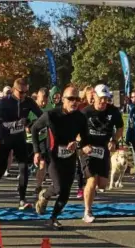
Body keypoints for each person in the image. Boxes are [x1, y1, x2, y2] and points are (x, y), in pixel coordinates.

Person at [33, 86, 89, 230]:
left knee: (66, 191)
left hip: (69, 156)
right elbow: (34, 128)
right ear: (63, 100)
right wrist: (37, 151)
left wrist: (77, 143)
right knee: (58, 188)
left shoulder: (80, 117)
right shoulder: (51, 115)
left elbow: (85, 138)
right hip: (53, 156)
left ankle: (53, 218)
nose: (75, 102)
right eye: (71, 99)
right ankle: (45, 194)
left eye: (77, 99)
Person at [0, 78, 43, 209]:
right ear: (14, 90)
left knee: (24, 167)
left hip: (19, 139)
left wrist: (32, 124)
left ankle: (22, 200)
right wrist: (17, 124)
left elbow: (41, 116)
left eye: (26, 92)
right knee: (1, 169)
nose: (24, 95)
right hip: (5, 139)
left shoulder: (28, 101)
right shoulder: (4, 102)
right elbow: (0, 123)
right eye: (21, 92)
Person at [80, 84, 124, 223]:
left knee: (102, 184)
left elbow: (121, 127)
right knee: (92, 180)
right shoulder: (86, 112)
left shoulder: (113, 111)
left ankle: (90, 189)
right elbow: (75, 131)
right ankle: (87, 211)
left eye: (106, 98)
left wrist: (115, 141)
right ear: (94, 96)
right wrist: (83, 145)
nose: (104, 101)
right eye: (101, 98)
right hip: (88, 149)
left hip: (103, 149)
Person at [27, 88, 53, 194]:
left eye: (45, 101)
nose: (43, 103)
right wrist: (31, 125)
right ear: (37, 97)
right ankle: (24, 184)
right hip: (29, 139)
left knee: (43, 163)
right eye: (42, 100)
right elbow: (27, 126)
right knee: (26, 165)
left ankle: (39, 185)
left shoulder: (49, 107)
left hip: (43, 139)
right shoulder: (31, 107)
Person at [76, 86, 96, 198]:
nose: (93, 99)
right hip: (80, 138)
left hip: (92, 139)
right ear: (86, 95)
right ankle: (80, 188)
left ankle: (90, 186)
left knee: (92, 164)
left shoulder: (96, 108)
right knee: (80, 165)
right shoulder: (81, 107)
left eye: (94, 96)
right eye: (91, 96)